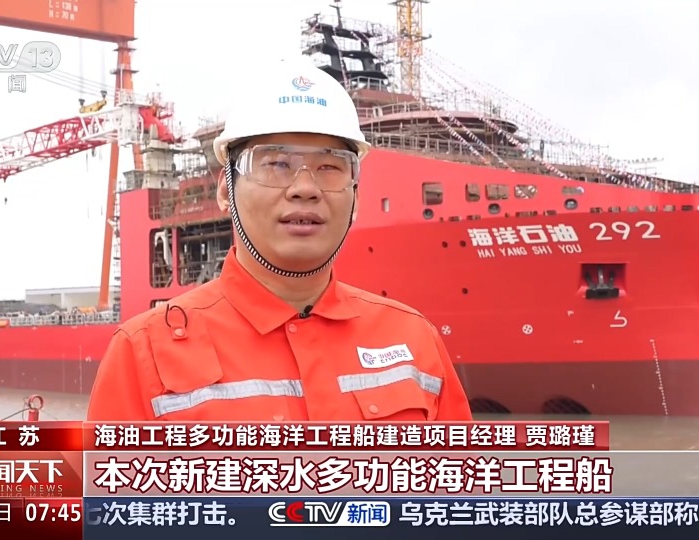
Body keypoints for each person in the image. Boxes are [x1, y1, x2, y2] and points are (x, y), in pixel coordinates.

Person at [86, 59, 472, 422]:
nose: (305, 188)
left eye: (330, 167)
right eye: (276, 164)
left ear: (356, 196)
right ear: (225, 190)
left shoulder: (415, 342)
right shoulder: (142, 354)